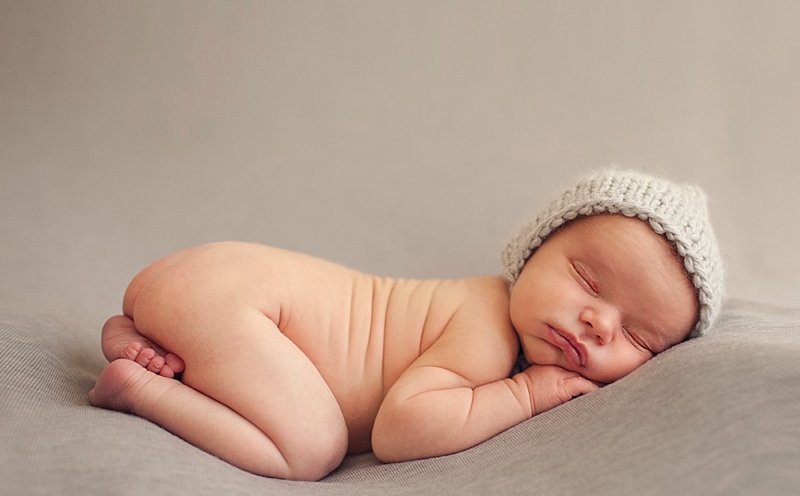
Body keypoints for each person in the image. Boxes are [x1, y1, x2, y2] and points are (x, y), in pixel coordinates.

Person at [89, 168, 724, 481]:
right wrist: (526, 393)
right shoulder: (485, 322)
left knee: (271, 387)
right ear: (532, 252)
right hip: (239, 298)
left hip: (202, 285)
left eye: (640, 337)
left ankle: (141, 334)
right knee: (310, 449)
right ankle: (144, 387)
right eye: (587, 280)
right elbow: (398, 430)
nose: (597, 323)